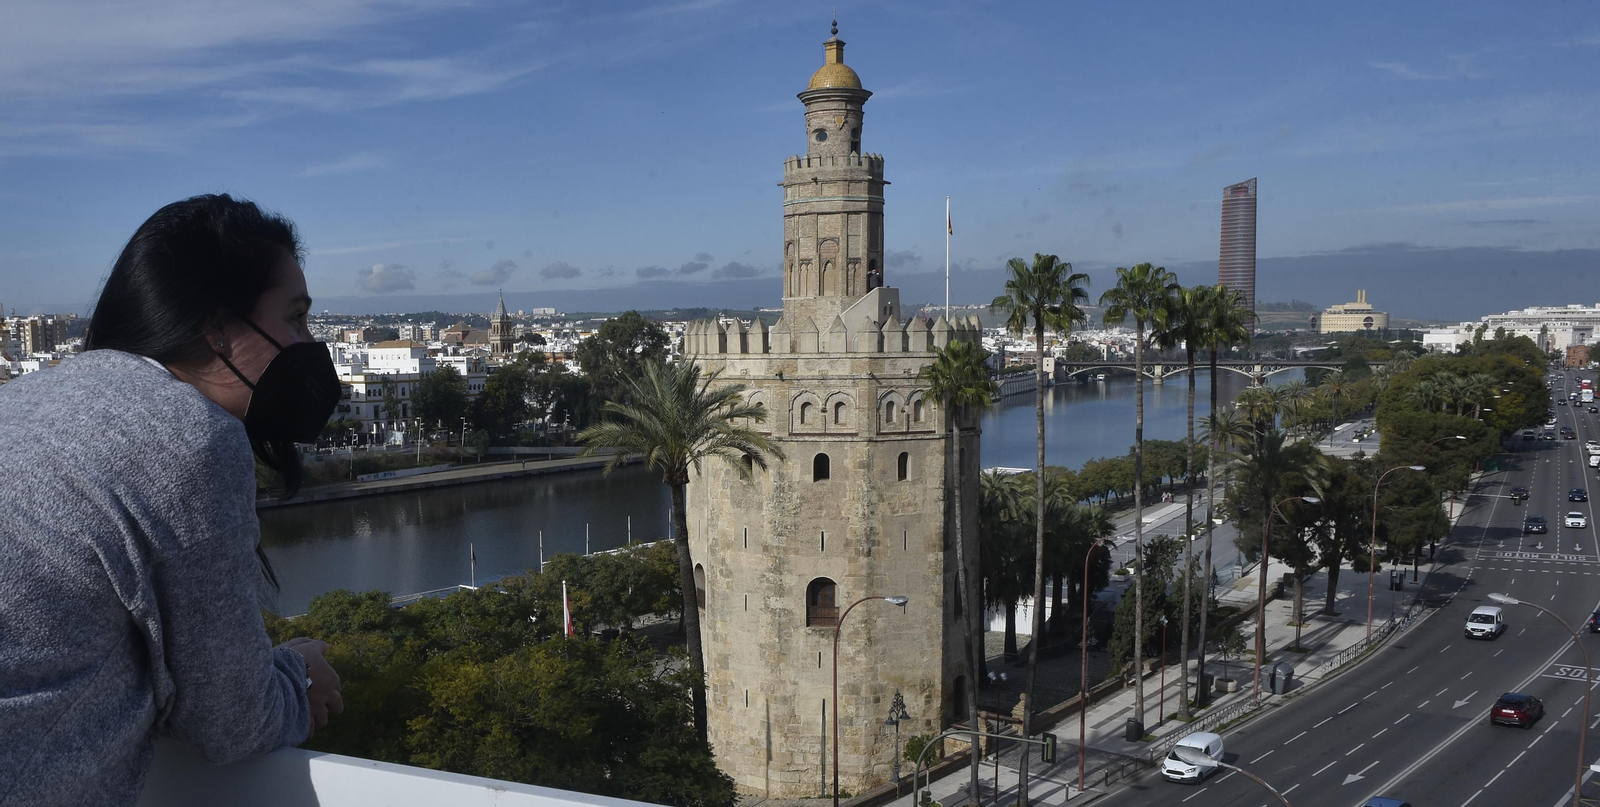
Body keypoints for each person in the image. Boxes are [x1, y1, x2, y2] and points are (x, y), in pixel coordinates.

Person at [0, 194, 345, 807]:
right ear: (216, 330)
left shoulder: (32, 399)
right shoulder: (191, 440)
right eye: (295, 319)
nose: (308, 343)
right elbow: (235, 719)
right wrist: (299, 673)